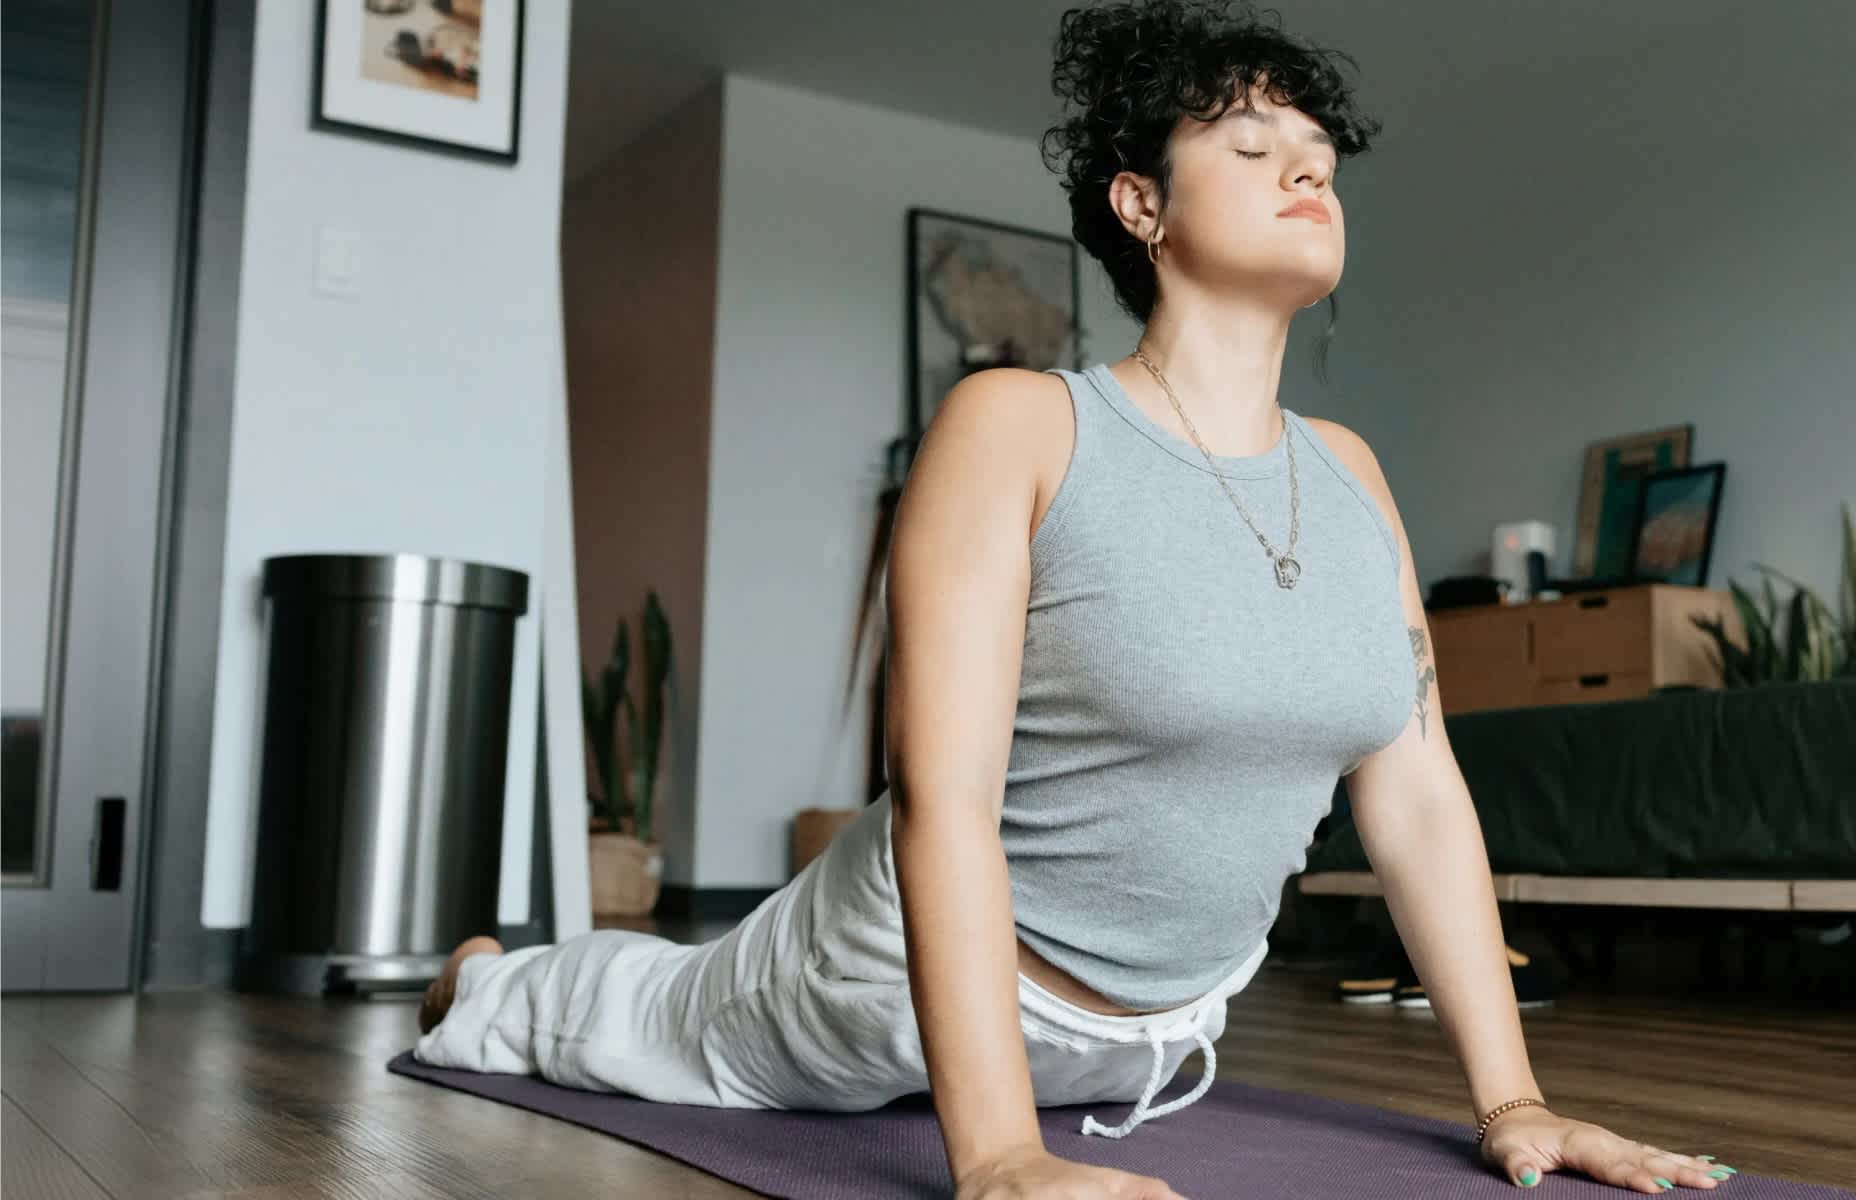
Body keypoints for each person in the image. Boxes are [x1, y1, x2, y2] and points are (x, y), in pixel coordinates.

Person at [414, 2, 1734, 1196]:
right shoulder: (1023, 425)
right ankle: (490, 977)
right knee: (661, 1022)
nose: (1312, 166)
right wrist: (993, 1158)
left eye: (1320, 149)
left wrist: (1514, 1100)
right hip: (881, 979)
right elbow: (947, 801)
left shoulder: (1351, 473)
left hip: (1152, 1042)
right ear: (1140, 204)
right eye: (1251, 143)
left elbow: (1420, 799)